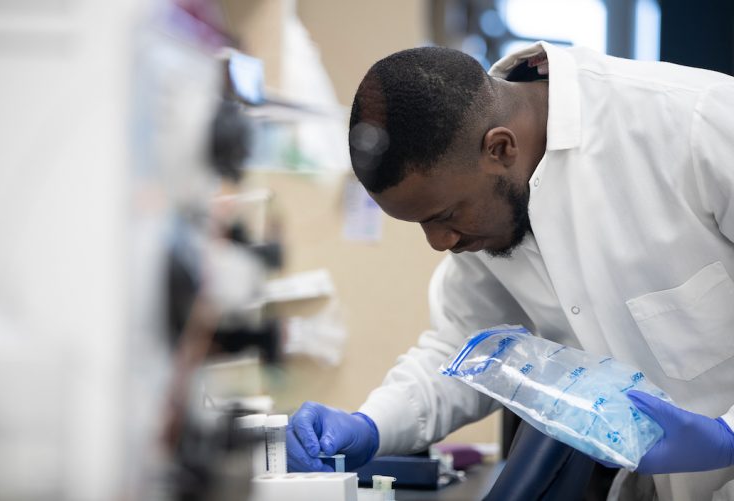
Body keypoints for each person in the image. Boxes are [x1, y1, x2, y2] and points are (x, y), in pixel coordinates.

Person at [287, 41, 734, 499]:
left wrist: (728, 435)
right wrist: (371, 425)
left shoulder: (697, 123)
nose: (440, 242)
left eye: (443, 216)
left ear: (499, 148)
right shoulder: (490, 210)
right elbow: (461, 348)